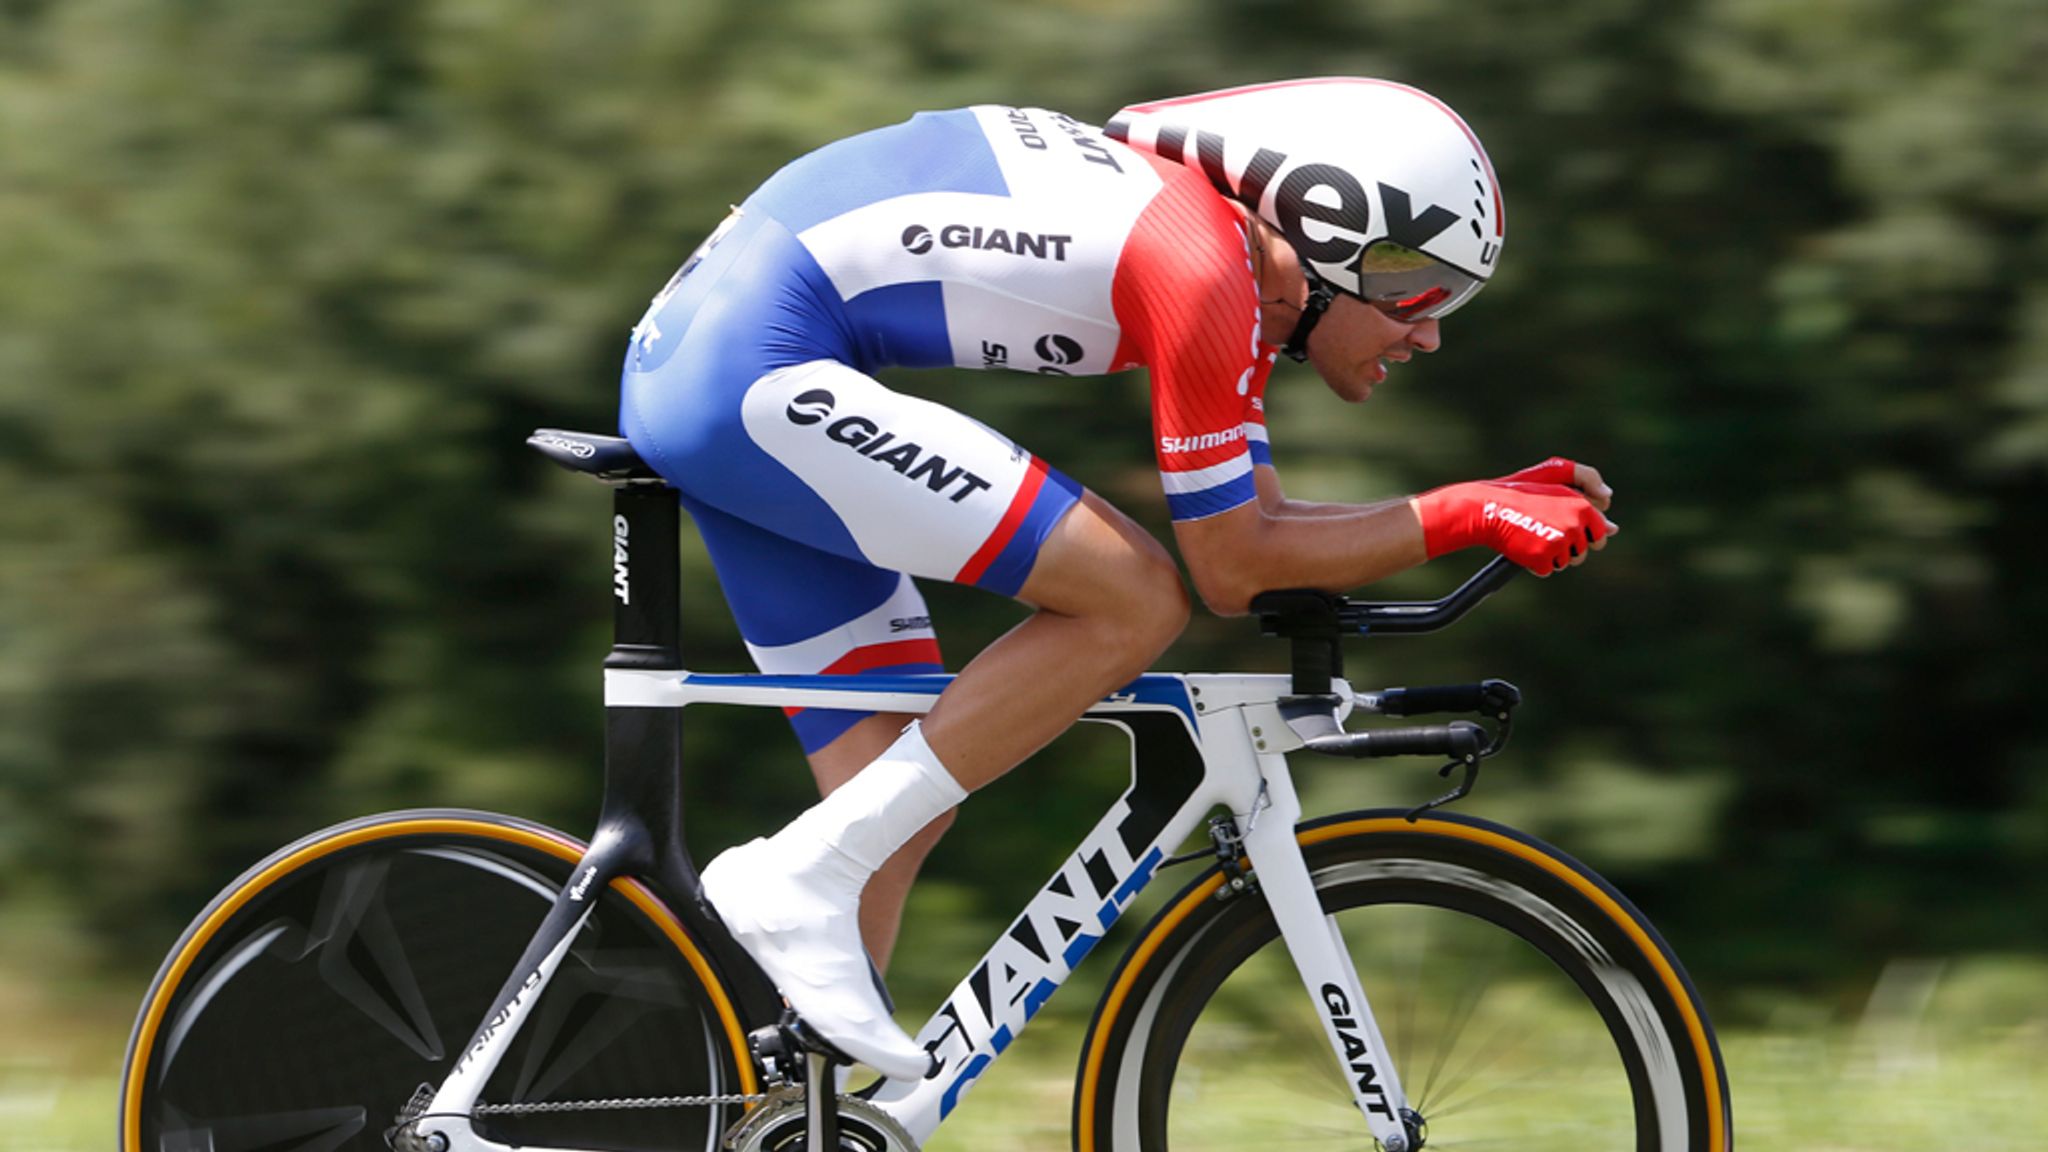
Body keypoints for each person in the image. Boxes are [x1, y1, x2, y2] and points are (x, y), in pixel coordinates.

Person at [617, 78, 1616, 1080]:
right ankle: (794, 875)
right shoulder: (1204, 266)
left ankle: (791, 1115)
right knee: (1132, 599)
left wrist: (1476, 499)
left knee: (888, 805)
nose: (1427, 330)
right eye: (1415, 288)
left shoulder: (1218, 262)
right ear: (1326, 234)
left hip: (723, 365)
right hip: (749, 375)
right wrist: (1462, 512)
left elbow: (1258, 528)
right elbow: (1231, 569)